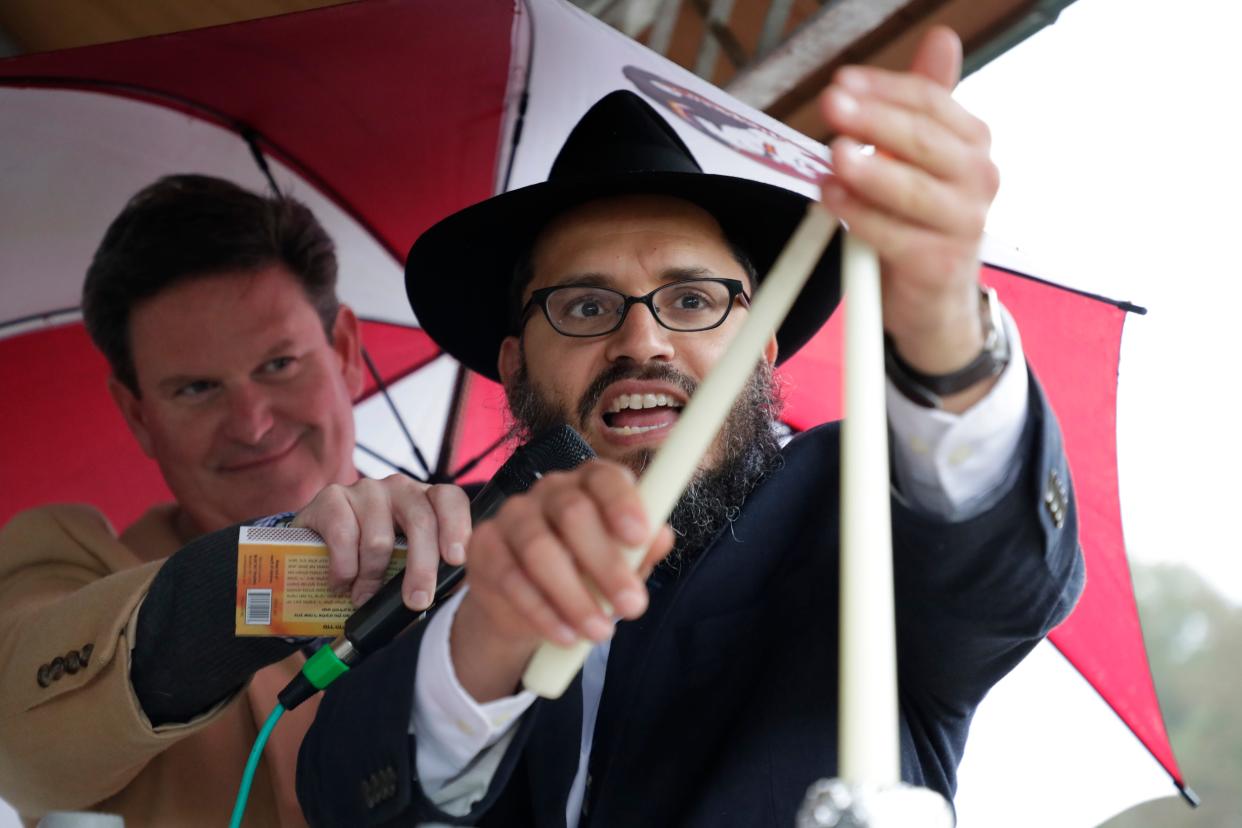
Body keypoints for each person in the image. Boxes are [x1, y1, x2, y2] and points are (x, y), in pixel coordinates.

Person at [295, 26, 1084, 828]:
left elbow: (998, 574)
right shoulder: (447, 552)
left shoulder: (865, 507)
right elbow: (342, 796)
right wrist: (484, 638)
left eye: (695, 300)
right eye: (585, 307)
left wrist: (944, 326)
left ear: (763, 347)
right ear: (514, 364)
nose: (641, 342)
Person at [0, 175, 468, 826]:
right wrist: (275, 565)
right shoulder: (67, 560)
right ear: (137, 416)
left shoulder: (482, 546)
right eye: (196, 388)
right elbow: (19, 746)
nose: (251, 423)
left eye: (278, 365)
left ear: (344, 352)